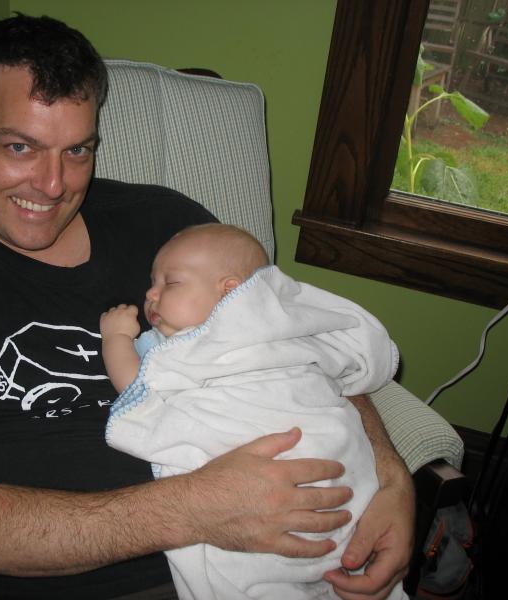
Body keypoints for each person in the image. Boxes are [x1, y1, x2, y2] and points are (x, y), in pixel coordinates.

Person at [0, 12, 414, 600]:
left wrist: (390, 480)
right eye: (21, 147)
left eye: (77, 150)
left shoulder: (172, 228)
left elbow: (299, 345)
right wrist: (196, 509)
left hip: (309, 559)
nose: (53, 184)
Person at [100, 224, 405, 600]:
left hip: (321, 468)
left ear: (230, 291)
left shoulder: (246, 340)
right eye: (152, 282)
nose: (150, 293)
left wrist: (115, 338)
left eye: (170, 282)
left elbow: (132, 382)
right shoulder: (170, 346)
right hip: (248, 495)